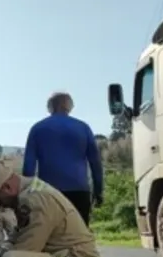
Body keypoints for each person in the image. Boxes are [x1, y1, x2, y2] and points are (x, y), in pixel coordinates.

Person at [23, 92, 104, 225]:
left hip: (49, 192)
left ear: (50, 107)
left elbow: (28, 167)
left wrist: (27, 194)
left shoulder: (37, 129)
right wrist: (98, 190)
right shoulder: (83, 128)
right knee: (79, 234)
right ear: (69, 107)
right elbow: (95, 163)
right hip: (79, 190)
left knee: (51, 235)